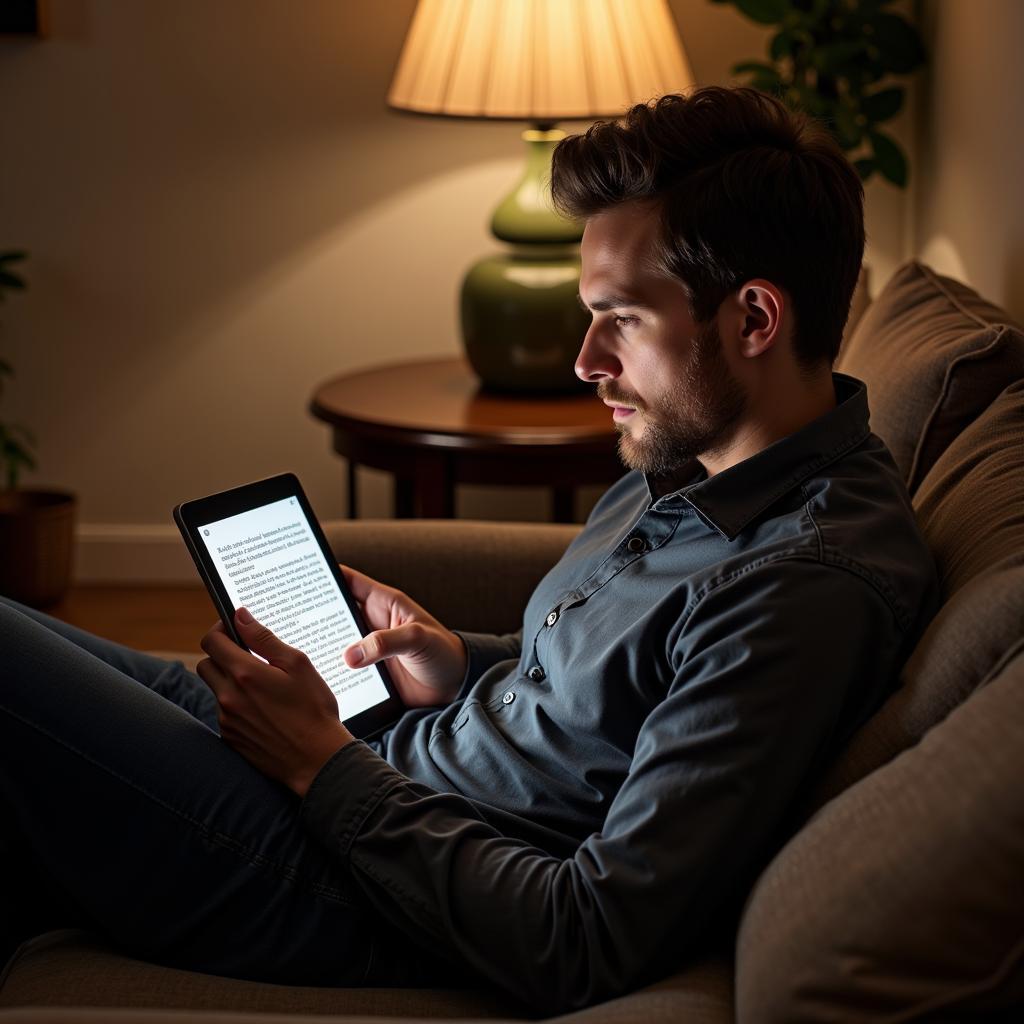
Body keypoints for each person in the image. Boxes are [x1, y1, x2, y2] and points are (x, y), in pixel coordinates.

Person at [0, 87, 938, 1013]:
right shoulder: (695, 456)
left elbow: (586, 936)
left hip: (351, 881)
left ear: (754, 320)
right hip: (381, 764)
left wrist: (321, 768)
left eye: (624, 318)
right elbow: (626, 688)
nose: (585, 361)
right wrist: (455, 662)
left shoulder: (799, 590)